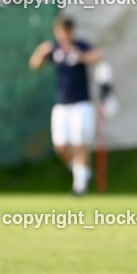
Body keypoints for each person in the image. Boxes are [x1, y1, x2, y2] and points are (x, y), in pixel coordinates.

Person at [29, 15, 104, 195]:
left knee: (80, 143)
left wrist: (80, 56)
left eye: (66, 32)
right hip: (62, 104)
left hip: (81, 103)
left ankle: (79, 187)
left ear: (71, 31)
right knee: (60, 145)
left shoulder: (80, 46)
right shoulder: (54, 49)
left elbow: (97, 57)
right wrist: (40, 52)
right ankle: (82, 172)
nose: (63, 36)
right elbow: (35, 65)